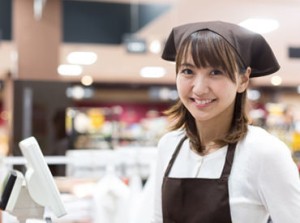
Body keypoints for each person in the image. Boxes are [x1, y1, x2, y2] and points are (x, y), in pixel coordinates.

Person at [151, 21, 300, 223]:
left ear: (243, 80)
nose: (199, 88)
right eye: (188, 71)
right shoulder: (168, 145)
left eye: (215, 72)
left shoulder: (264, 152)